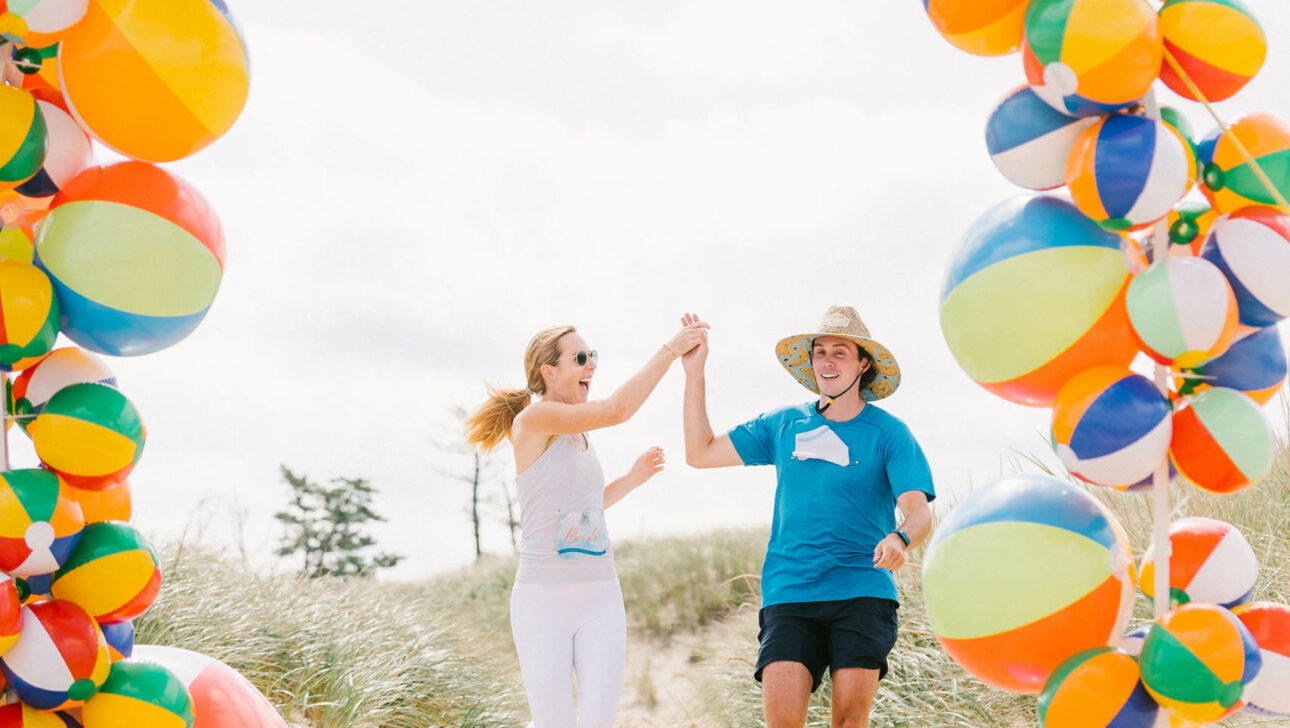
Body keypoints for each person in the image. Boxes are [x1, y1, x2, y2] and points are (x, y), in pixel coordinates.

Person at [680, 306, 934, 728]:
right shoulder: (782, 424)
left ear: (863, 364)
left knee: (849, 721)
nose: (828, 361)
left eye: (840, 352)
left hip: (861, 589)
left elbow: (918, 511)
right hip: (790, 592)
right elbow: (700, 453)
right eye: (820, 352)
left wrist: (899, 539)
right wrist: (694, 374)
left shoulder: (888, 433)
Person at [465, 317, 707, 728]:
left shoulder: (580, 435)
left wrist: (632, 479)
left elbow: (585, 509)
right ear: (549, 372)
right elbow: (618, 409)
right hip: (542, 601)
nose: (591, 364)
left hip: (600, 596)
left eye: (592, 355)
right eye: (581, 357)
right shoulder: (534, 420)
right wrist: (671, 350)